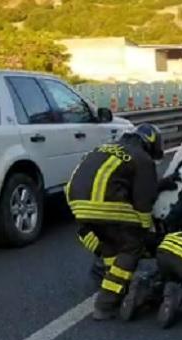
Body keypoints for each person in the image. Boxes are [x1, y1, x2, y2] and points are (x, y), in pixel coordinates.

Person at [66, 123, 165, 320]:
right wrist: (147, 231)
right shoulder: (143, 158)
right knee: (131, 246)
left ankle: (114, 282)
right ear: (151, 142)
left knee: (111, 244)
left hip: (77, 204)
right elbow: (143, 202)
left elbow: (120, 180)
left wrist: (161, 184)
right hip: (105, 205)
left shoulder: (106, 148)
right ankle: (106, 303)